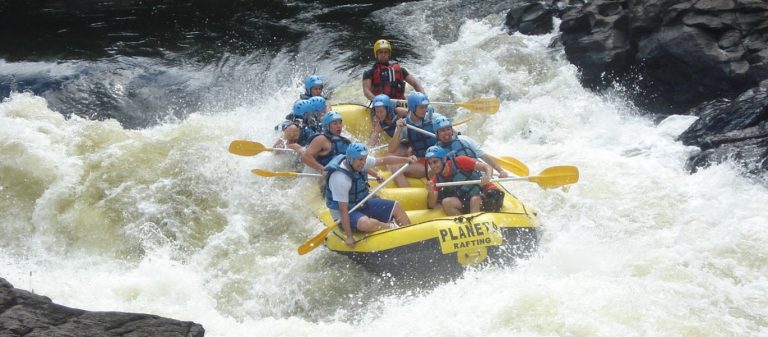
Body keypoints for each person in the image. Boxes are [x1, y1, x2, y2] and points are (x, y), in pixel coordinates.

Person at [325, 143, 415, 247]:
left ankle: (411, 237)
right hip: (347, 212)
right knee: (365, 223)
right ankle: (391, 227)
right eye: (360, 159)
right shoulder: (340, 179)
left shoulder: (359, 161)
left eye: (365, 159)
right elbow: (343, 210)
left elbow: (384, 160)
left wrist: (406, 159)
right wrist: (349, 237)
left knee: (396, 206)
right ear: (350, 159)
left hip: (362, 204)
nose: (363, 162)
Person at [424, 146, 498, 216]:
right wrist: (430, 191)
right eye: (430, 163)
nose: (432, 166)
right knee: (446, 202)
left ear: (443, 159)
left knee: (475, 200)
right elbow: (431, 205)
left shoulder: (460, 161)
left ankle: (474, 220)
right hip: (467, 198)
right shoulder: (436, 179)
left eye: (435, 162)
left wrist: (487, 176)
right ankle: (466, 222)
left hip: (485, 193)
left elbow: (487, 166)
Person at [389, 92, 445, 183]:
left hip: (438, 158)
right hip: (422, 160)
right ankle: (406, 192)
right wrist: (398, 130)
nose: (424, 110)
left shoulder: (434, 118)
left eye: (425, 107)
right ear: (412, 108)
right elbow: (391, 149)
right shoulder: (404, 124)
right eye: (421, 107)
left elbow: (451, 134)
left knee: (433, 167)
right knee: (395, 168)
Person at [432, 115, 509, 178]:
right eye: (442, 130)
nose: (446, 133)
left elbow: (484, 156)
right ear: (437, 133)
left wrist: (500, 171)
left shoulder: (464, 140)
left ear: (452, 130)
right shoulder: (435, 151)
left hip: (479, 177)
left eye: (448, 129)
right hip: (456, 184)